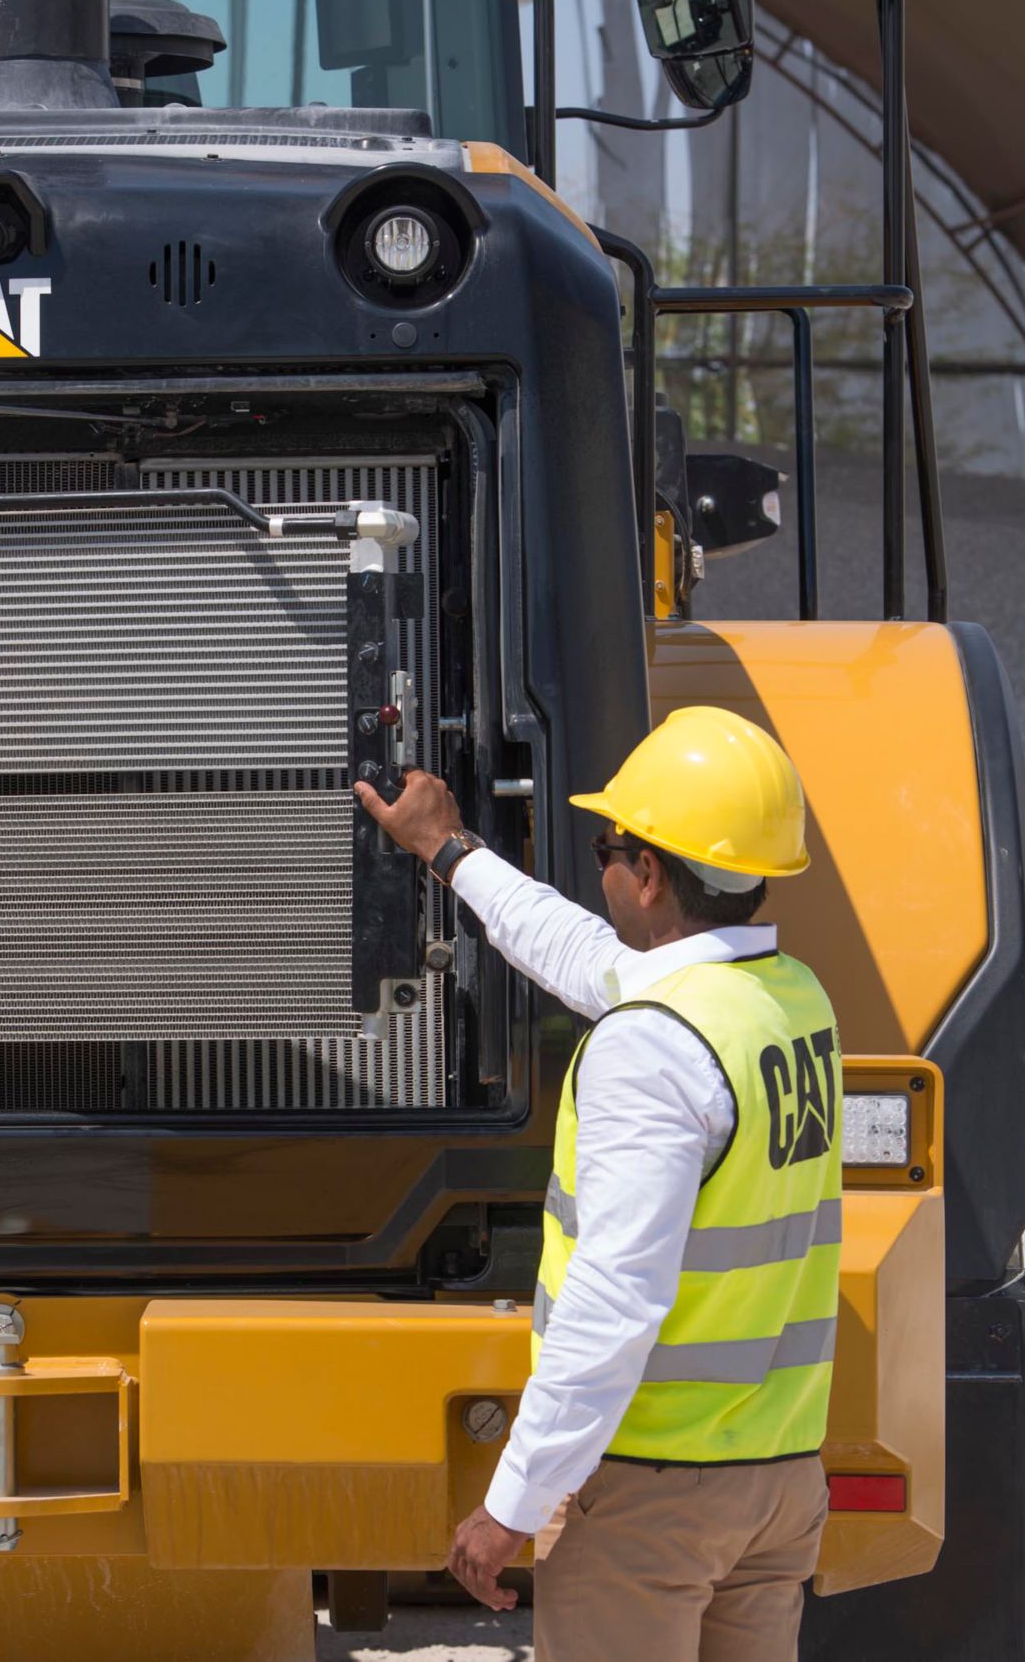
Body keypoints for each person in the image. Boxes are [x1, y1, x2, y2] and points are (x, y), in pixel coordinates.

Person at [354, 705, 844, 1662]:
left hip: (653, 1501)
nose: (602, 865)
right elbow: (587, 954)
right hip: (776, 1481)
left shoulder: (653, 1048)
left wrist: (513, 1505)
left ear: (650, 872)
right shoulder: (787, 1001)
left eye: (607, 846)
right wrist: (449, 851)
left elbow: (614, 1301)